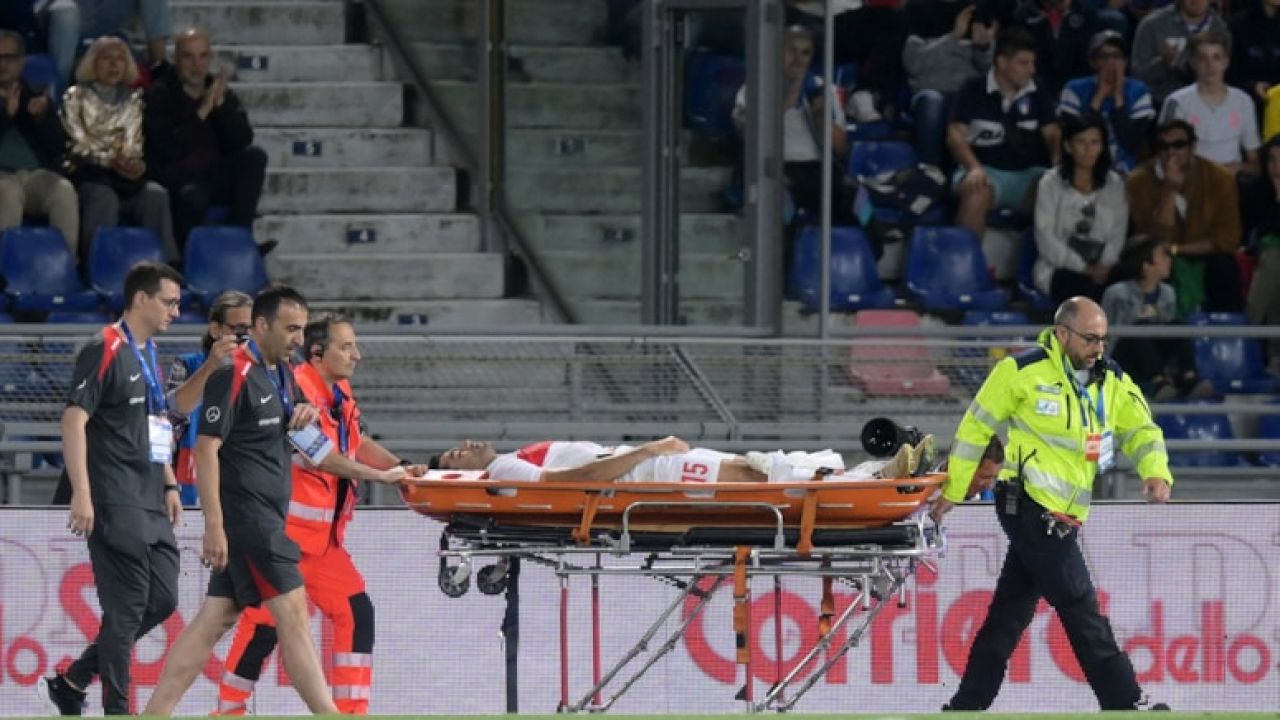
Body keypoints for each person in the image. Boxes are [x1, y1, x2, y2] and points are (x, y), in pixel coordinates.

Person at [141, 286, 407, 717]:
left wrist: (377, 474)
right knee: (294, 619)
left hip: (265, 520)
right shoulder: (233, 373)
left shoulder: (281, 374)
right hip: (252, 523)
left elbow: (316, 450)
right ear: (261, 326)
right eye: (291, 329)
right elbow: (206, 449)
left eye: (302, 329)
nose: (299, 339)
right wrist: (214, 525)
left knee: (214, 621)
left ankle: (155, 714)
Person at [929, 296, 1174, 712]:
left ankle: (967, 705)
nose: (1098, 348)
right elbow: (975, 428)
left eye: (1103, 339)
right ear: (1062, 334)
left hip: (1064, 515)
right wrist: (954, 490)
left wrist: (1156, 472)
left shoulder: (1110, 379)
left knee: (1008, 614)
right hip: (1027, 506)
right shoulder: (1021, 371)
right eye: (1090, 338)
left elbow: (1142, 430)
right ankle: (1125, 701)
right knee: (1080, 605)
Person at [212, 314, 423, 715]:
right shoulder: (294, 392)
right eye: (347, 347)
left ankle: (351, 711)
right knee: (262, 625)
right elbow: (322, 458)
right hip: (286, 537)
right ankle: (228, 711)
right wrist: (383, 476)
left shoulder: (339, 391)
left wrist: (401, 467)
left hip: (323, 542)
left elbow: (357, 443)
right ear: (317, 353)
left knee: (355, 614)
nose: (356, 355)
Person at [37, 261, 185, 716]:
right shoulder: (103, 347)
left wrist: (170, 481)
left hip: (150, 496)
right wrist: (82, 493)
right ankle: (118, 711)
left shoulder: (150, 352)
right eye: (169, 302)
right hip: (114, 496)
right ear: (141, 299)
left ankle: (74, 680)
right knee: (125, 610)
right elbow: (73, 420)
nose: (176, 312)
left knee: (163, 600)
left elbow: (156, 422)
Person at [144, 29, 270, 255]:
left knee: (255, 157)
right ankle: (190, 259)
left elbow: (242, 140)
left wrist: (221, 107)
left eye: (203, 56)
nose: (197, 65)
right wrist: (202, 112)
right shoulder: (160, 94)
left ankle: (240, 239)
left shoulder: (218, 91)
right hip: (178, 178)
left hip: (214, 175)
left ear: (210, 58)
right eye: (188, 57)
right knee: (193, 196)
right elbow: (168, 149)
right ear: (175, 59)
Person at [732, 25, 859, 233]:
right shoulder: (755, 87)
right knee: (782, 204)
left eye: (805, 53)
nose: (798, 60)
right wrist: (789, 97)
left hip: (817, 171)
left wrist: (822, 121)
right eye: (792, 51)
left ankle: (874, 248)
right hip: (776, 171)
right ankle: (785, 251)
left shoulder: (821, 89)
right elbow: (751, 133)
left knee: (857, 197)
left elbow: (842, 148)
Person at [61, 35, 177, 262]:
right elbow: (78, 145)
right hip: (88, 174)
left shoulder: (133, 99)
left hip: (122, 177)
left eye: (120, 59)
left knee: (156, 194)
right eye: (106, 58)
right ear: (93, 63)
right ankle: (97, 266)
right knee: (104, 198)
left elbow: (133, 145)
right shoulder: (76, 97)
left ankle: (165, 266)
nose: (114, 64)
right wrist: (109, 161)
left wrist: (135, 165)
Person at [948, 26, 1060, 239]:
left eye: (1033, 63)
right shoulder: (972, 89)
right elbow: (955, 135)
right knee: (976, 192)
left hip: (1027, 175)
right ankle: (966, 257)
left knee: (1059, 190)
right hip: (985, 171)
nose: (1032, 70)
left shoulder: (1038, 90)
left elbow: (1052, 133)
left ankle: (1055, 259)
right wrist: (973, 168)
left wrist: (1058, 162)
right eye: (1024, 63)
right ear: (1002, 63)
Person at [1127, 118, 1243, 316]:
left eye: (1178, 145)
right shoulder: (1138, 181)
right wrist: (1169, 190)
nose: (1171, 152)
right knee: (1155, 266)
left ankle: (1225, 327)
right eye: (1163, 146)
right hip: (1161, 255)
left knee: (1224, 267)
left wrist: (1176, 249)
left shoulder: (1220, 179)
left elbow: (1227, 239)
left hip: (1208, 254)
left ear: (1192, 147)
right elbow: (1152, 239)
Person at [164, 290, 253, 505]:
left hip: (247, 489)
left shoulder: (265, 372)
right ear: (215, 330)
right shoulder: (188, 365)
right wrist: (211, 366)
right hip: (194, 491)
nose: (247, 338)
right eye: (240, 330)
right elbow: (170, 418)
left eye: (253, 330)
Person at [1031, 113, 1128, 304]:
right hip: (1060, 267)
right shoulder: (1050, 183)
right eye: (1081, 142)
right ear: (1068, 146)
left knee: (1124, 289)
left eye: (1094, 142)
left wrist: (1104, 265)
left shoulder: (1115, 184)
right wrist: (1083, 268)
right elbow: (1045, 237)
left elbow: (1118, 233)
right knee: (1084, 292)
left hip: (1103, 267)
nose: (1088, 149)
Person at [1101, 236, 1212, 400]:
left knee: (1177, 326)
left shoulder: (1168, 293)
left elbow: (1166, 335)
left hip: (1155, 353)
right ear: (1146, 266)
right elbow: (1105, 336)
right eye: (1163, 256)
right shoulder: (1117, 294)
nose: (1169, 260)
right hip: (1125, 355)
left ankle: (1189, 378)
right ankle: (1156, 382)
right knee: (1140, 329)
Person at [0, 29, 78, 252]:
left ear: (21, 62)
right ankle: (5, 267)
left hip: (34, 176)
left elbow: (59, 148)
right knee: (6, 192)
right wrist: (5, 115)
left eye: (9, 58)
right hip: (2, 177)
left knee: (63, 190)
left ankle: (65, 264)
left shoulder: (34, 95)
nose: (2, 64)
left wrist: (42, 119)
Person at [901, 1, 995, 168]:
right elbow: (914, 64)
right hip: (931, 90)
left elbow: (988, 69)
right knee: (932, 104)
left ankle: (972, 172)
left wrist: (983, 47)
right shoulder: (916, 10)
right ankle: (930, 172)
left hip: (967, 91)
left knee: (976, 103)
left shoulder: (976, 11)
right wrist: (953, 38)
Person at [1158, 31, 1261, 175]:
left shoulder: (1243, 101)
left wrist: (1237, 168)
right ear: (1192, 62)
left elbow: (1254, 162)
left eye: (1216, 57)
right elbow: (1166, 158)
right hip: (1190, 181)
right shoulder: (1177, 102)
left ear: (1226, 62)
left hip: (1230, 183)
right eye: (1202, 58)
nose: (1210, 65)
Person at [1058, 30, 1156, 174]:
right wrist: (1098, 98)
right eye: (1104, 56)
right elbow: (1075, 137)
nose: (1111, 62)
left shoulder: (1138, 91)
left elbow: (1131, 144)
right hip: (1083, 168)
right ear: (1093, 62)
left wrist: (1118, 99)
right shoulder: (1074, 89)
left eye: (1117, 56)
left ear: (1125, 62)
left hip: (1126, 172)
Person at [1131, 0, 1229, 106]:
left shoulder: (1221, 29)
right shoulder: (1152, 25)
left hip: (1208, 105)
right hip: (1160, 105)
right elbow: (1137, 79)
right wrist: (1163, 63)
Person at [1242, 135, 1280, 372]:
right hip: (1264, 254)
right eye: (1272, 160)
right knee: (1274, 260)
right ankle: (1273, 354)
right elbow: (1256, 228)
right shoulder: (1257, 191)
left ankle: (1249, 331)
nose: (1277, 167)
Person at [1010, 0, 1098, 98]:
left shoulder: (1086, 14)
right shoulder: (1024, 15)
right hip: (1035, 91)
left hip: (1079, 92)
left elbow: (1090, 60)